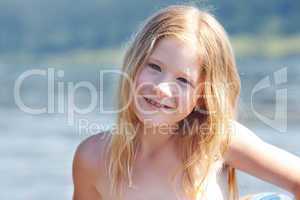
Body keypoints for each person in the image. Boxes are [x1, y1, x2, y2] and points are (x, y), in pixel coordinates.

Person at [72, 4, 300, 200]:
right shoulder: (93, 157)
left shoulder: (214, 140)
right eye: (154, 67)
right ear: (134, 64)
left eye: (183, 80)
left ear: (201, 94)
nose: (161, 88)